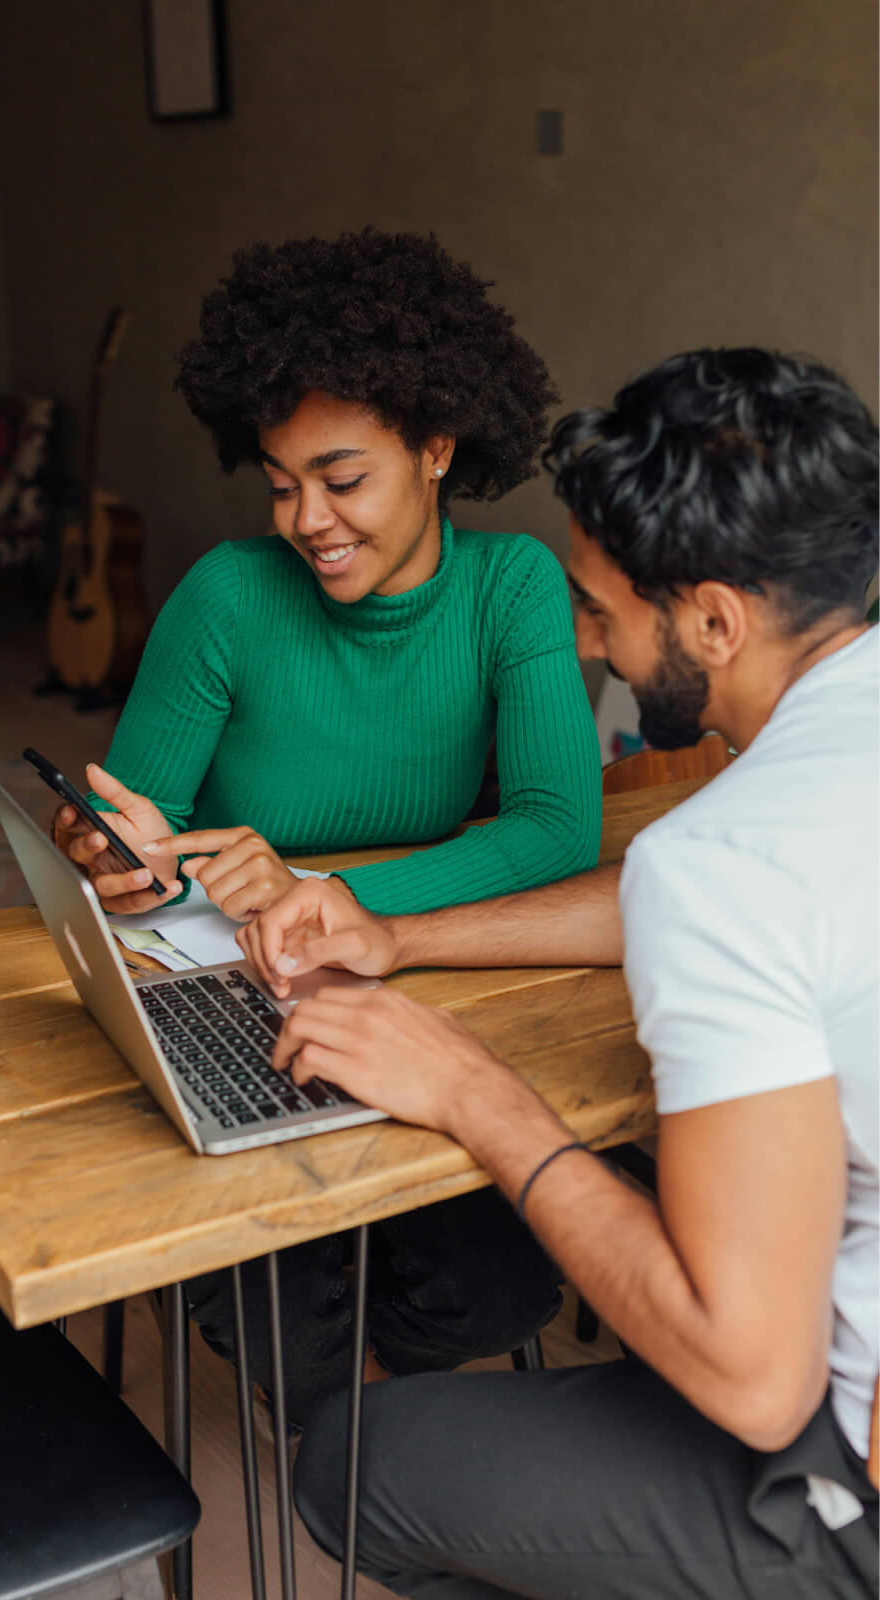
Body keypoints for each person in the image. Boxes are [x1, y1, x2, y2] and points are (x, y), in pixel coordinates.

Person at [240, 347, 877, 1598]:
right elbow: (719, 903)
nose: (587, 646)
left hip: (843, 1483)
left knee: (351, 1460)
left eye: (601, 610)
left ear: (711, 619)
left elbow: (756, 1379)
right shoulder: (793, 799)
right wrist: (401, 935)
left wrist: (474, 1089)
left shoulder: (722, 859)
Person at [51, 229, 606, 1419]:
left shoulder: (510, 590)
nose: (307, 517)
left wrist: (344, 900)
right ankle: (328, 1400)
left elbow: (562, 829)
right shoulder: (227, 595)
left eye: (342, 478)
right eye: (279, 479)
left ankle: (357, 1398)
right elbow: (134, 847)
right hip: (236, 998)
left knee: (504, 1289)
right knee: (279, 1314)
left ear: (438, 448)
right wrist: (123, 862)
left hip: (414, 997)